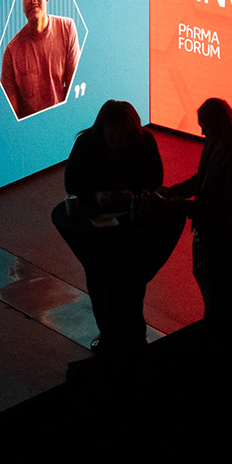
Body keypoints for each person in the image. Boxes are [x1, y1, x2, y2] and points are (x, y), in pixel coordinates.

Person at [53, 99, 176, 358]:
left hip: (130, 223)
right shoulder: (86, 144)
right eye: (111, 134)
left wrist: (132, 195)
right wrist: (96, 197)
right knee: (99, 279)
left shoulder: (144, 142)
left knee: (131, 280)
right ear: (102, 130)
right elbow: (72, 183)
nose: (117, 140)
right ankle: (108, 333)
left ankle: (132, 334)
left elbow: (155, 181)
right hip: (99, 223)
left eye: (122, 135)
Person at [163, 97, 232, 327]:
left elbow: (226, 207)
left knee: (222, 292)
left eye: (205, 125)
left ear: (218, 125)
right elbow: (200, 180)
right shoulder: (216, 143)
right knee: (215, 288)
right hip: (208, 230)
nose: (202, 132)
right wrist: (170, 192)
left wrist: (183, 205)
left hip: (221, 236)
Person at [0, 0, 80, 118]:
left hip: (64, 121)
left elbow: (73, 90)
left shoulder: (67, 28)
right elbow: (11, 115)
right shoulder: (11, 52)